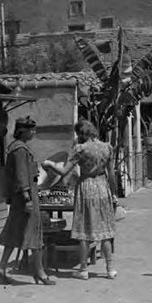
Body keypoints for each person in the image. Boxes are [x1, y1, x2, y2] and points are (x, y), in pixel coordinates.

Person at [42, 118, 117, 280]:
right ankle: (110, 269)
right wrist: (114, 193)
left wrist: (49, 164)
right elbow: (111, 175)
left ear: (81, 133)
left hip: (86, 187)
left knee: (84, 230)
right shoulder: (107, 148)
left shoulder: (81, 149)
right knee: (105, 230)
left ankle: (83, 269)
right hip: (102, 187)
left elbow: (63, 172)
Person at [0, 116, 56, 286]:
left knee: (15, 233)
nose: (34, 132)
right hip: (25, 199)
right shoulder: (20, 150)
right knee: (33, 234)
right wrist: (28, 199)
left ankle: (1, 269)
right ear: (24, 131)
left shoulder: (16, 148)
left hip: (20, 198)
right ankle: (40, 272)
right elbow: (22, 176)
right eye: (32, 129)